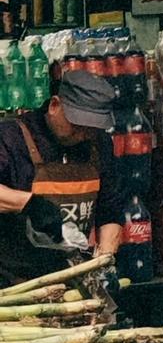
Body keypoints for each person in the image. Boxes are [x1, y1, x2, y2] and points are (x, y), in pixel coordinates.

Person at [0, 66, 124, 285]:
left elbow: (110, 212)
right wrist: (29, 204)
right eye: (77, 125)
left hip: (73, 280)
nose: (83, 135)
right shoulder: (11, 137)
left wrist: (104, 262)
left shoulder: (99, 144)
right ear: (55, 105)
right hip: (15, 283)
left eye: (91, 128)